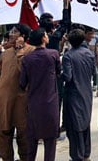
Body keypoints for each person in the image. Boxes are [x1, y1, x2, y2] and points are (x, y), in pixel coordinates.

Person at [0, 24, 34, 161]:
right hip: (2, 100)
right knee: (1, 134)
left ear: (23, 36)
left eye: (15, 32)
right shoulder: (5, 54)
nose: (10, 34)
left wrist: (20, 50)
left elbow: (25, 74)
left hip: (21, 101)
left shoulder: (31, 51)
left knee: (24, 136)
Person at [19, 29, 61, 161]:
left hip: (33, 103)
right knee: (50, 142)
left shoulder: (27, 59)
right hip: (50, 103)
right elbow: (59, 72)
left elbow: (22, 83)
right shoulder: (53, 54)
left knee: (32, 140)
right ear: (43, 38)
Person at [62, 28, 96, 161]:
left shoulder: (68, 56)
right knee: (85, 122)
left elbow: (68, 77)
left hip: (73, 93)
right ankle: (86, 153)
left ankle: (78, 155)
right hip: (86, 91)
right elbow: (94, 72)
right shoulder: (89, 54)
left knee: (75, 127)